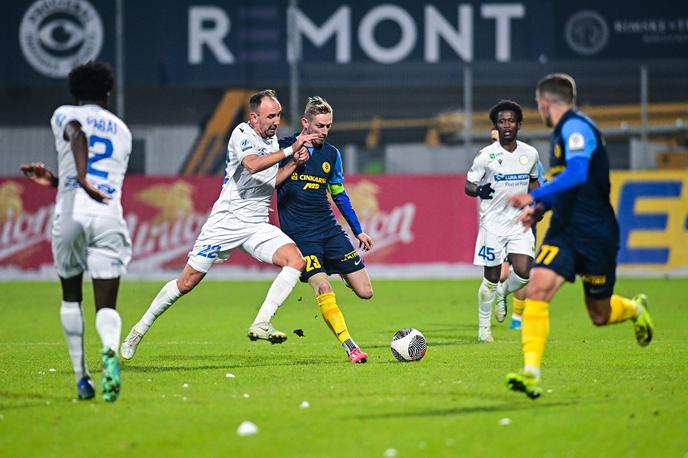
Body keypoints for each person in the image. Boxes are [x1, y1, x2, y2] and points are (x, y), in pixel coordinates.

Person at [120, 90, 318, 359]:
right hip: (226, 222)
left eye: (278, 115)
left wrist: (293, 163)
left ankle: (261, 322)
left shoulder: (272, 142)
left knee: (295, 260)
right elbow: (251, 166)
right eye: (270, 116)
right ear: (253, 117)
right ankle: (139, 330)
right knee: (187, 282)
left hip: (256, 223)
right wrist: (291, 149)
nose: (276, 121)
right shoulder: (241, 134)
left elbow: (268, 182)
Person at [505, 73, 655, 399]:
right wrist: (541, 206)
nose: (539, 111)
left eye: (538, 105)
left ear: (545, 103)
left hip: (597, 233)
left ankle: (636, 309)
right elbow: (569, 187)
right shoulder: (562, 133)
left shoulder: (576, 128)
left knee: (599, 315)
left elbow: (578, 174)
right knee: (538, 290)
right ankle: (531, 373)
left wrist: (533, 196)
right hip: (565, 232)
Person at [20, 61, 131, 402]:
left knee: (71, 297)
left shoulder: (63, 113)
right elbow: (101, 173)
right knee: (106, 305)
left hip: (71, 214)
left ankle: (81, 377)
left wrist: (77, 179)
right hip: (108, 215)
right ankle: (110, 350)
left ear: (75, 91)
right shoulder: (122, 130)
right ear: (107, 94)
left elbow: (76, 133)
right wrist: (58, 180)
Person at [276, 96, 374, 363]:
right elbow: (269, 183)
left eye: (328, 126)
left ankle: (341, 270)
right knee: (323, 288)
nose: (324, 131)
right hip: (301, 236)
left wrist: (357, 231)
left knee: (365, 292)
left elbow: (339, 195)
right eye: (319, 125)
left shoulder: (332, 154)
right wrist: (293, 160)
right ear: (305, 122)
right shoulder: (283, 148)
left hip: (328, 229)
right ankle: (350, 346)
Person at [465, 101, 540, 343]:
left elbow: (534, 184)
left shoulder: (530, 154)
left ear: (519, 124)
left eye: (511, 121)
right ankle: (484, 330)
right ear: (496, 126)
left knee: (524, 272)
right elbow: (468, 186)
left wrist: (537, 207)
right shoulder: (486, 156)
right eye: (501, 121)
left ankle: (502, 293)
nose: (506, 125)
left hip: (519, 223)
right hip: (493, 224)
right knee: (491, 277)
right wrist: (479, 190)